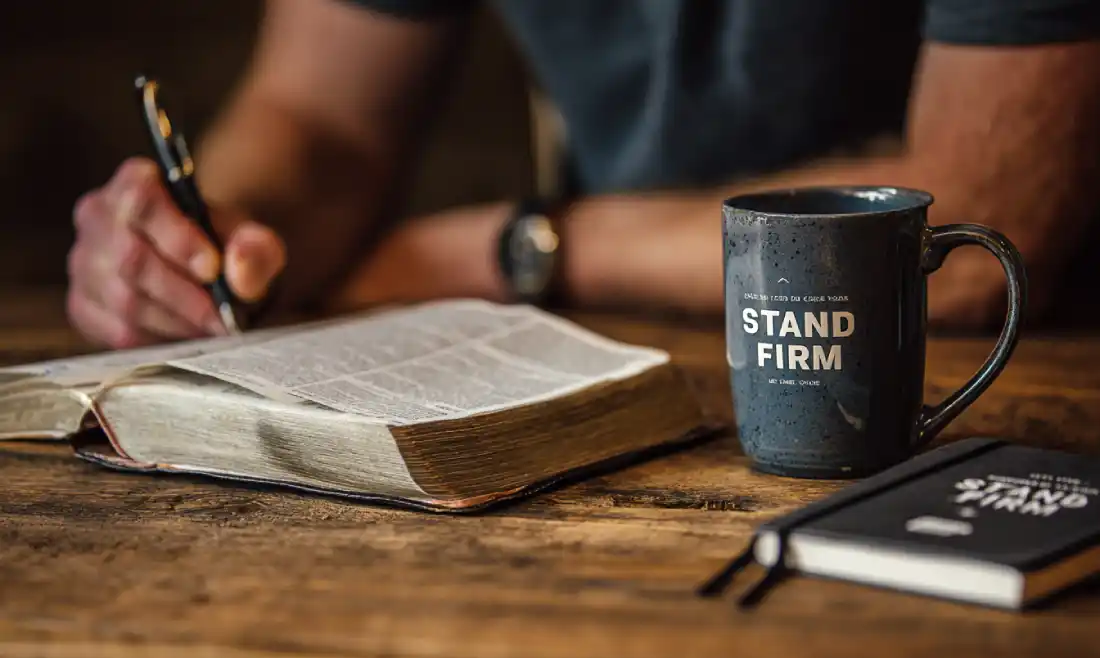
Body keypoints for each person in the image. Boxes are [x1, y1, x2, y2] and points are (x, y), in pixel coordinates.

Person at [66, 0, 1100, 349]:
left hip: (1008, 382)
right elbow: (317, 116)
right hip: (608, 372)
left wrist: (512, 248)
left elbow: (974, 235)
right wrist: (213, 237)